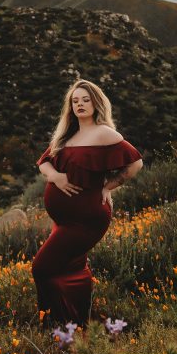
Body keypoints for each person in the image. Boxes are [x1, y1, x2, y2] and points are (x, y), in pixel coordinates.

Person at [31, 79, 143, 330]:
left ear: (96, 103)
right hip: (64, 220)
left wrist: (109, 186)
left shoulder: (103, 133)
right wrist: (56, 177)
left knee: (42, 267)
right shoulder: (67, 134)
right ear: (70, 106)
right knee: (70, 267)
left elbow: (135, 163)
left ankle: (59, 323)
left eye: (85, 100)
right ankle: (72, 325)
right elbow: (44, 162)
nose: (80, 104)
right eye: (75, 101)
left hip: (86, 219)